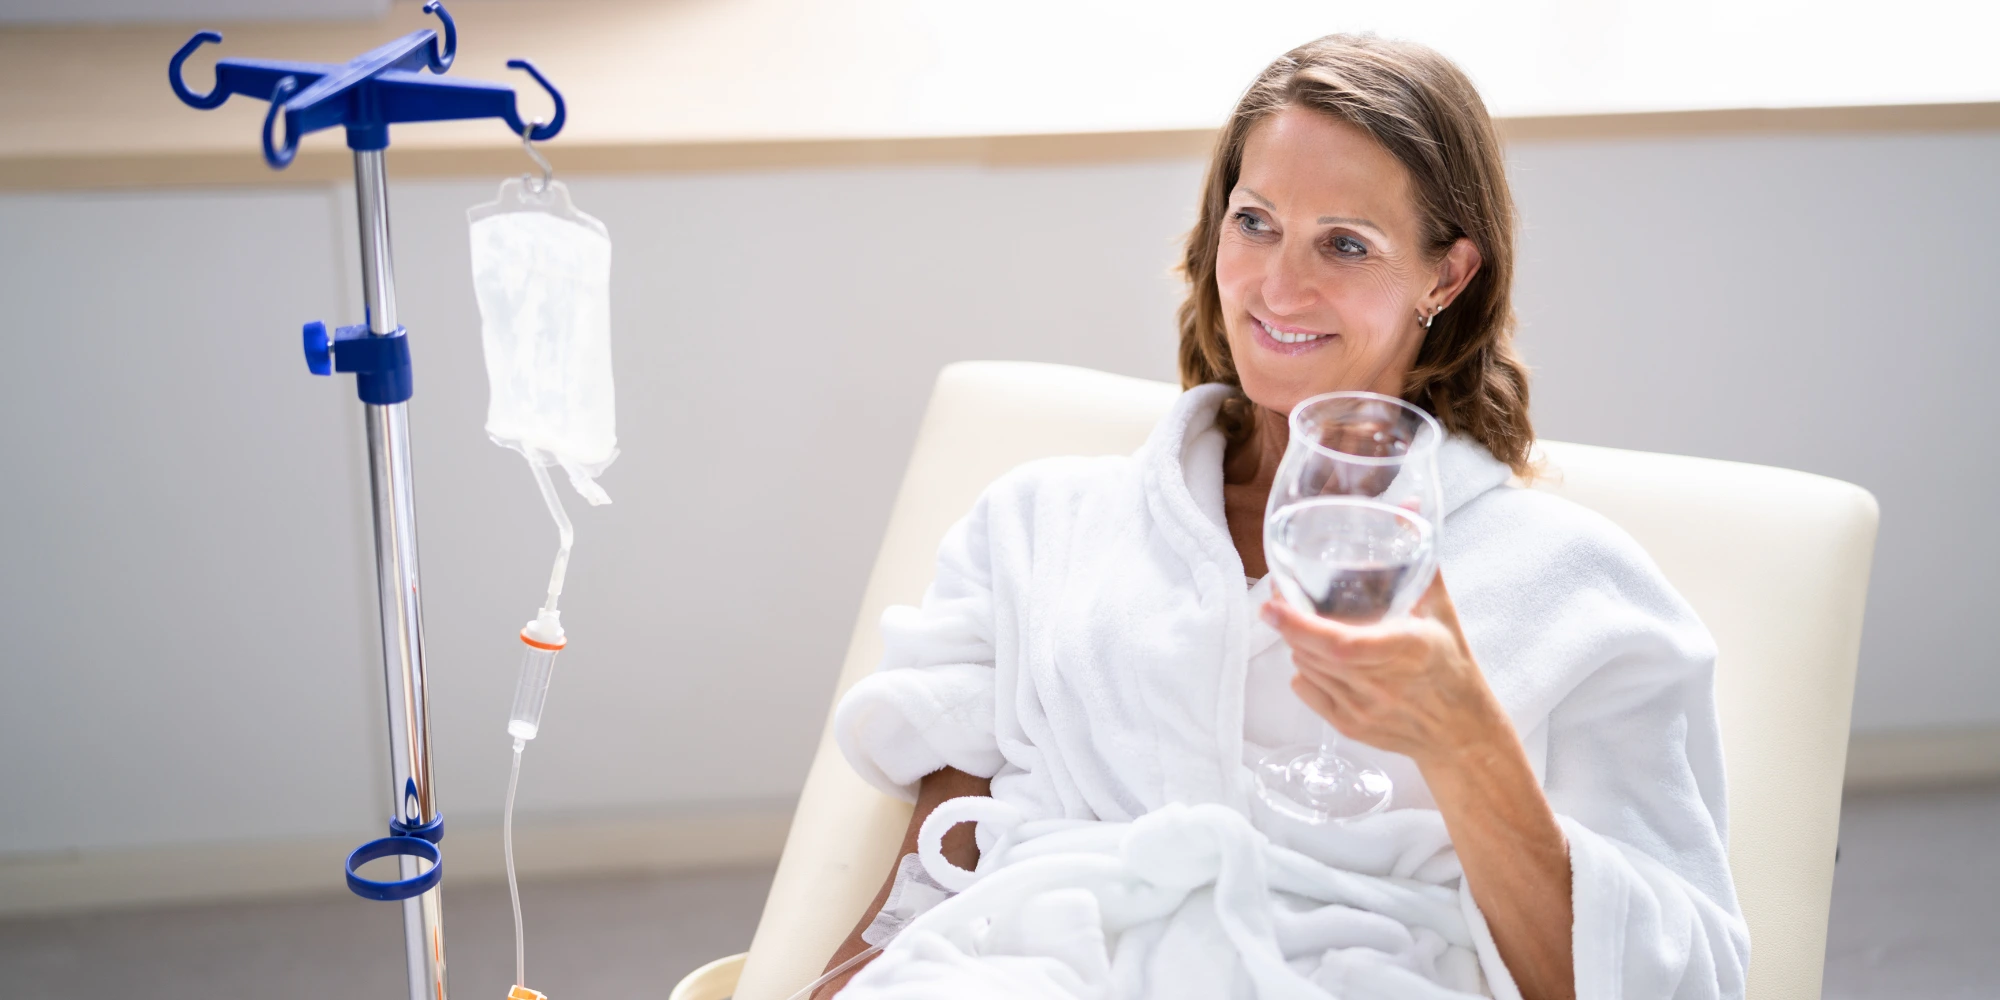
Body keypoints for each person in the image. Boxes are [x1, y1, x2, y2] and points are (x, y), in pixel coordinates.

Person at [815, 33, 1748, 1000]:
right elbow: (933, 871)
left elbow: (1664, 980)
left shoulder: (1574, 585)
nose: (1278, 286)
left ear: (1448, 276)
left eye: (1345, 244)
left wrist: (1464, 744)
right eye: (1255, 222)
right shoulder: (1038, 525)